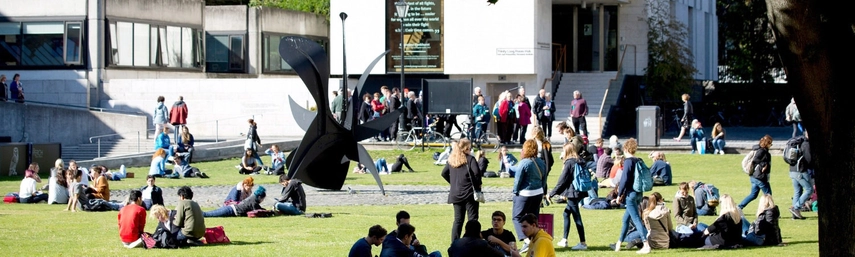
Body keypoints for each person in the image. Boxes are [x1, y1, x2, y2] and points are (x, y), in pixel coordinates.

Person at [548, 143, 589, 250]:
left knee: (577, 217)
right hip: (580, 190)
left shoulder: (569, 163)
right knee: (566, 213)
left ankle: (583, 243)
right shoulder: (580, 160)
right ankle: (564, 239)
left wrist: (551, 194)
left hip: (573, 193)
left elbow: (562, 181)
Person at [614, 138, 651, 254]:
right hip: (639, 193)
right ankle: (619, 243)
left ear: (625, 149)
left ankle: (646, 244)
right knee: (626, 219)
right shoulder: (638, 160)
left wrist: (619, 195)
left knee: (636, 220)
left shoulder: (628, 161)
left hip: (630, 194)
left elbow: (624, 179)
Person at [509, 140, 547, 252]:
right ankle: (534, 240)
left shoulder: (524, 162)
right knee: (533, 218)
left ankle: (526, 240)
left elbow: (518, 180)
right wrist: (542, 191)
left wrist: (515, 192)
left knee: (517, 217)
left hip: (525, 193)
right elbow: (544, 179)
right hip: (538, 192)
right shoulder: (541, 162)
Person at [442, 139, 483, 241]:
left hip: (456, 194)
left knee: (458, 220)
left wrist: (453, 183)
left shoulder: (452, 160)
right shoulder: (470, 159)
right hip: (469, 193)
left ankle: (454, 242)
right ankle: (472, 241)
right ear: (466, 148)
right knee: (472, 219)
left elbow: (444, 173)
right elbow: (477, 173)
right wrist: (478, 185)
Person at [738, 135, 773, 209]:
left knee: (753, 195)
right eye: (770, 143)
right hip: (760, 177)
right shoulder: (762, 151)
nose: (771, 145)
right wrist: (764, 164)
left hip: (754, 176)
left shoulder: (760, 150)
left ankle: (739, 207)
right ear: (767, 143)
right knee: (768, 195)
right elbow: (755, 160)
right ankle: (771, 210)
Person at [789, 131, 812, 220]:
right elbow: (809, 160)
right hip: (800, 170)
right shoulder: (806, 144)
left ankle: (795, 215)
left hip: (792, 170)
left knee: (797, 191)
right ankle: (796, 208)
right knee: (809, 190)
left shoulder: (799, 143)